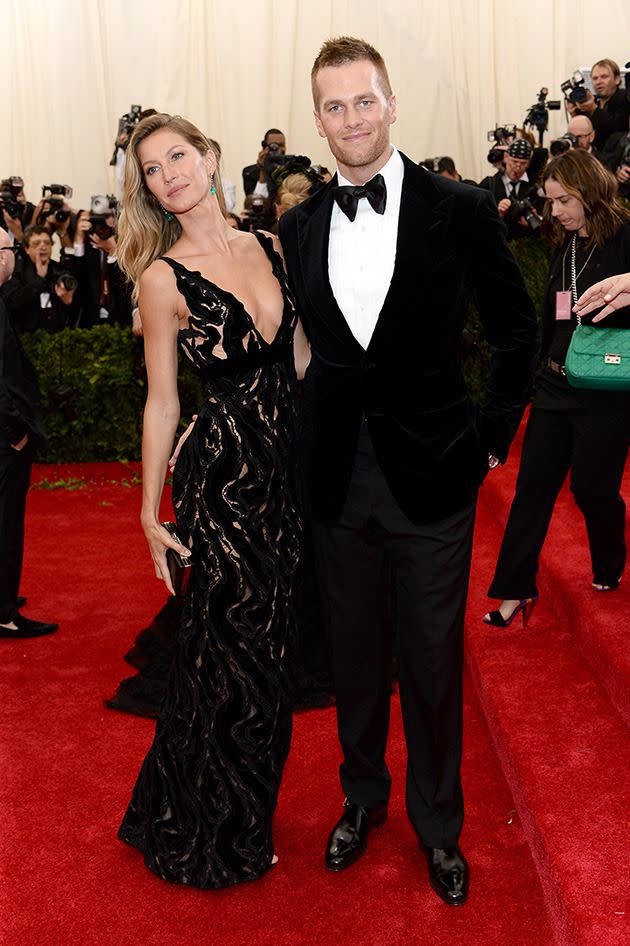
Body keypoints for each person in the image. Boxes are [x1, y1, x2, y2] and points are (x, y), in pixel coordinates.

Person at [278, 36, 538, 906]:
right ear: (317, 119)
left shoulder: (460, 208)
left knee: (429, 661)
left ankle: (438, 825)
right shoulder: (300, 222)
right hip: (336, 483)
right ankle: (362, 800)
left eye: (364, 100)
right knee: (353, 656)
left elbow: (516, 336)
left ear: (391, 104)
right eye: (334, 106)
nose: (350, 118)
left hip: (433, 476)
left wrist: (490, 443)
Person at [115, 112, 306, 888]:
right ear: (151, 194)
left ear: (211, 155)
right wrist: (148, 511)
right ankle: (207, 830)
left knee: (274, 654)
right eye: (154, 171)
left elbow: (300, 356)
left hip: (288, 471)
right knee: (226, 651)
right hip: (222, 482)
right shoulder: (161, 278)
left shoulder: (272, 245)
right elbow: (162, 403)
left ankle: (243, 810)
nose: (170, 175)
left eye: (178, 156)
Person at [484, 149, 630, 628]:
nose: (557, 211)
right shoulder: (565, 244)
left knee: (593, 489)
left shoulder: (625, 233)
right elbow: (556, 315)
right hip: (554, 383)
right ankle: (513, 589)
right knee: (531, 489)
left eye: (565, 199)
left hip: (606, 389)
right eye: (550, 201)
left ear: (589, 191)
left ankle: (610, 559)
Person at [0, 229, 57, 638]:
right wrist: (14, 431)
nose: (13, 258)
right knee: (6, 523)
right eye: (9, 250)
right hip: (4, 438)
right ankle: (3, 611)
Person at [566, 59, 630, 152]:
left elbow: (617, 130)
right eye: (595, 78)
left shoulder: (624, 97)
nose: (598, 82)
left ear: (617, 79)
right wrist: (575, 115)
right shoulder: (593, 102)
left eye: (604, 77)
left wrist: (593, 109)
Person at [242, 128, 287, 197]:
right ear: (265, 147)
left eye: (282, 145)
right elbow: (255, 202)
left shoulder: (292, 170)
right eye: (274, 146)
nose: (279, 149)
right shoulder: (250, 172)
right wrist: (262, 170)